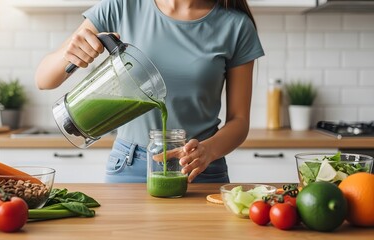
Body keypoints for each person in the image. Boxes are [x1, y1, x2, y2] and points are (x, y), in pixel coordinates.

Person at [35, 0, 264, 183]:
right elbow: (43, 79)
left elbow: (240, 120)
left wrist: (208, 151)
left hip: (200, 168)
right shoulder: (121, 6)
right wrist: (71, 52)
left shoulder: (236, 26)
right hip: (129, 165)